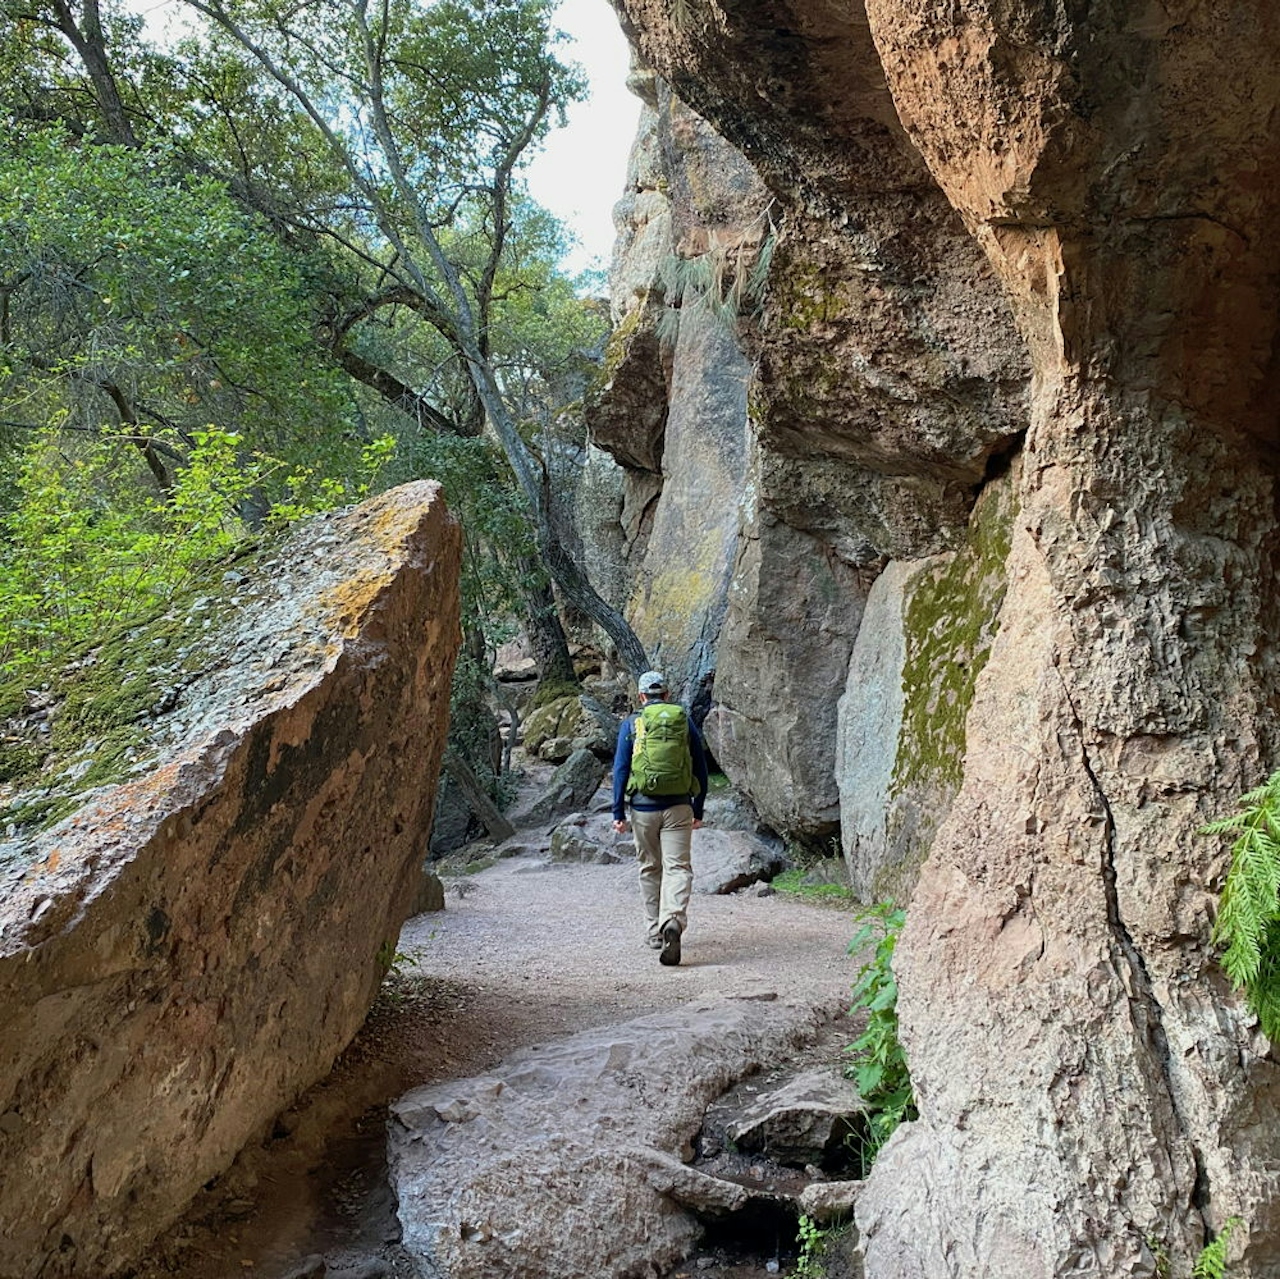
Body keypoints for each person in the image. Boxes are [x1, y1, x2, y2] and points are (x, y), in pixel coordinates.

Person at [612, 670, 709, 966]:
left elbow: (620, 770)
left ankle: (655, 931)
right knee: (678, 867)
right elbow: (700, 766)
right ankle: (674, 922)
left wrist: (618, 811)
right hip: (679, 806)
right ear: (666, 695)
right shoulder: (683, 720)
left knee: (650, 868)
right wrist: (698, 807)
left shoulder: (632, 724)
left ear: (642, 697)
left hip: (643, 809)